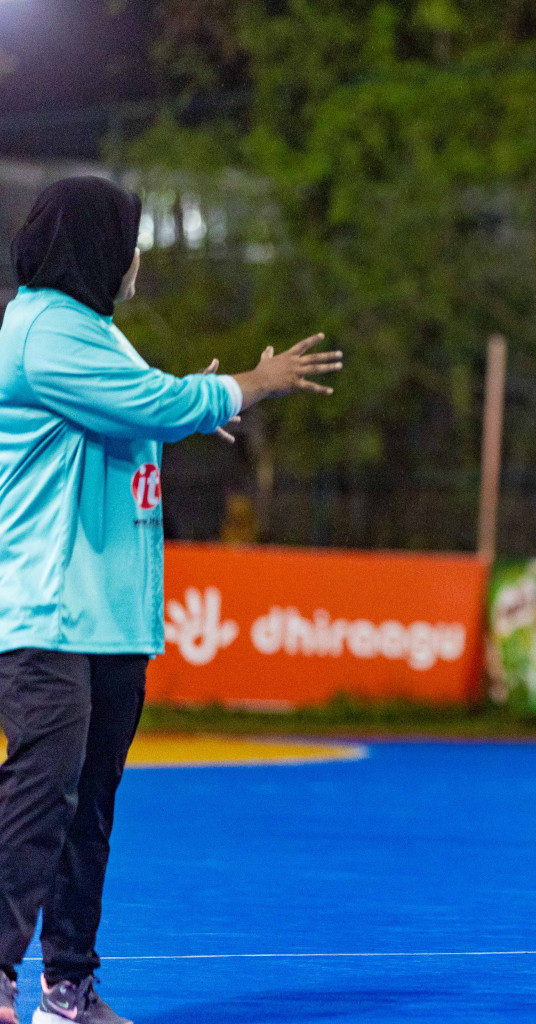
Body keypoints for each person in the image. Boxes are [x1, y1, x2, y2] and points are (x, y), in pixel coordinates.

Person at [0, 177, 341, 1024]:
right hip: (46, 605)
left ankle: (66, 987)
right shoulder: (42, 331)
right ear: (95, 246)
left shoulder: (99, 334)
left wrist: (189, 404)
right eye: (130, 237)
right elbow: (154, 400)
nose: (139, 255)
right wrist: (244, 387)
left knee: (91, 809)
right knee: (42, 791)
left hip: (109, 612)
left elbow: (147, 402)